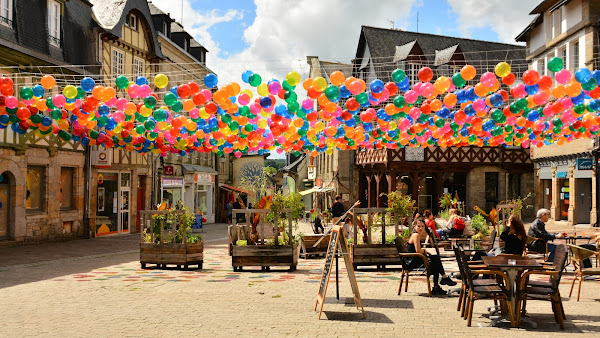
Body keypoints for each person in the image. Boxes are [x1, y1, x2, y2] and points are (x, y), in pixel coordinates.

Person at [406, 218, 457, 295]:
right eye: (418, 226)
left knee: (435, 260)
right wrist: (425, 251)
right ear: (414, 226)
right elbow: (418, 251)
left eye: (422, 226)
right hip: (413, 262)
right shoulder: (416, 235)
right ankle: (443, 279)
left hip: (415, 259)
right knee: (435, 260)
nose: (420, 228)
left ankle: (438, 285)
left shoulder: (415, 235)